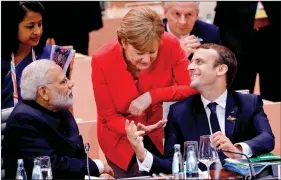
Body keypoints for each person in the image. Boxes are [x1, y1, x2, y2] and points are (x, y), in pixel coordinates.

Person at [125, 43, 275, 174]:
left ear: (221, 69)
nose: (190, 67)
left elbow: (267, 138)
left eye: (199, 62)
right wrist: (142, 153)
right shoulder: (179, 112)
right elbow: (172, 164)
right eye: (191, 62)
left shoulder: (249, 103)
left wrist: (238, 150)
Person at [91, 7, 197, 178]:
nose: (146, 59)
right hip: (119, 140)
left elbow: (192, 86)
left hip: (160, 134)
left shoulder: (170, 43)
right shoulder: (101, 60)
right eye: (140, 53)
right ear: (123, 42)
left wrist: (152, 96)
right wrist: (134, 130)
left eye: (152, 52)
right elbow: (107, 116)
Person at [2, 60, 114, 179]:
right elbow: (49, 167)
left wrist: (96, 172)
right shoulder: (23, 121)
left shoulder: (60, 109)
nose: (71, 84)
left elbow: (77, 154)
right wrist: (96, 167)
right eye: (63, 82)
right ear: (44, 92)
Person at [1, 1, 75, 109]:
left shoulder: (56, 55)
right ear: (12, 26)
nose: (37, 31)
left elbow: (66, 102)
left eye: (40, 24)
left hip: (48, 124)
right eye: (30, 26)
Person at [214, 2, 281, 101]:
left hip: (273, 39)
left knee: (275, 90)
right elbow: (222, 16)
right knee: (240, 91)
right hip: (239, 41)